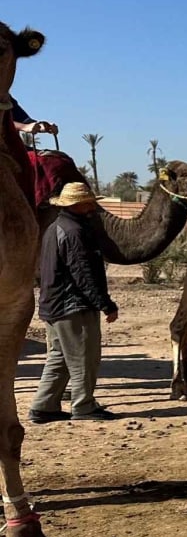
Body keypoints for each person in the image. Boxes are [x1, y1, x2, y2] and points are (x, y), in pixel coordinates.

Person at [29, 181, 120, 423]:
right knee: (83, 357)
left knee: (59, 357)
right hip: (73, 307)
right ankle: (84, 406)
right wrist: (105, 304)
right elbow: (83, 273)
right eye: (89, 202)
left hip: (54, 305)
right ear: (79, 204)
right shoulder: (75, 233)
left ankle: (44, 406)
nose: (93, 205)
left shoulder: (56, 227)